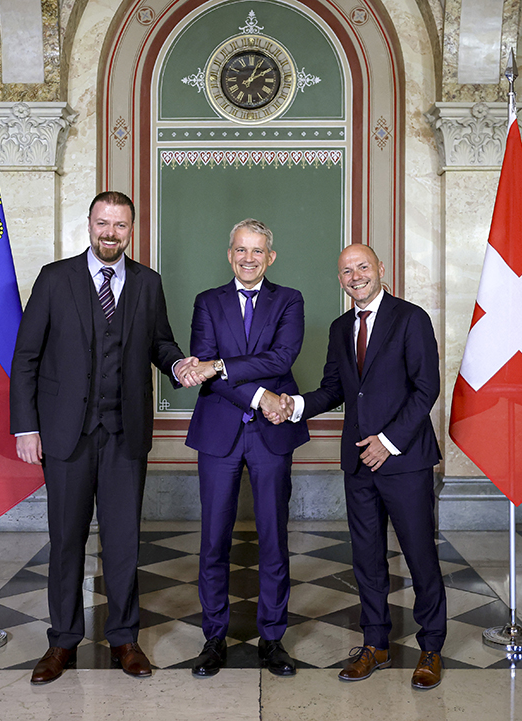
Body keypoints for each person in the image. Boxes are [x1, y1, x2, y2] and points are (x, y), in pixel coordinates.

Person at [10, 191, 199, 684]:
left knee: (123, 544)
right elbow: (25, 357)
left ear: (131, 230)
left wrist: (177, 363)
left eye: (119, 225)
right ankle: (62, 642)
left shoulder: (147, 283)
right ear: (88, 225)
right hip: (64, 436)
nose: (110, 233)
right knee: (66, 542)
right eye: (102, 223)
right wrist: (26, 426)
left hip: (124, 435)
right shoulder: (55, 279)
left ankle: (123, 637)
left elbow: (161, 342)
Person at [278, 243, 447, 690]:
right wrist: (292, 405)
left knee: (420, 557)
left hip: (405, 460)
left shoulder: (410, 319)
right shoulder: (339, 328)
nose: (355, 276)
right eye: (346, 271)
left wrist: (388, 442)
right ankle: (376, 644)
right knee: (366, 560)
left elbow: (425, 389)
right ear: (340, 280)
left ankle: (431, 647)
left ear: (380, 270)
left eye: (362, 267)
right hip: (358, 464)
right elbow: (333, 389)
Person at [180, 219, 308, 677]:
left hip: (273, 433)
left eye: (257, 251)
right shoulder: (207, 302)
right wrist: (258, 395)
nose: (248, 258)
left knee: (274, 537)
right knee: (213, 539)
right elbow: (204, 367)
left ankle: (272, 638)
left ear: (269, 257)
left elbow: (280, 358)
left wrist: (220, 366)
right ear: (229, 254)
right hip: (220, 432)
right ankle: (214, 637)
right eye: (240, 250)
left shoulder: (289, 300)